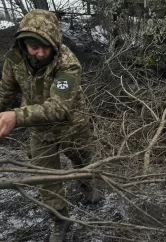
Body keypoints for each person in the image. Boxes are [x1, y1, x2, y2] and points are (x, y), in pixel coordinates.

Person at [0, 9, 101, 241]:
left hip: (71, 126)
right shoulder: (15, 59)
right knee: (45, 177)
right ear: (23, 44)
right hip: (39, 131)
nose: (41, 53)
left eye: (46, 46)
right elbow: (5, 91)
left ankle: (86, 183)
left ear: (55, 41)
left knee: (82, 161)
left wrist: (15, 116)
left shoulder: (67, 64)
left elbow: (59, 107)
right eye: (34, 47)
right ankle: (60, 218)